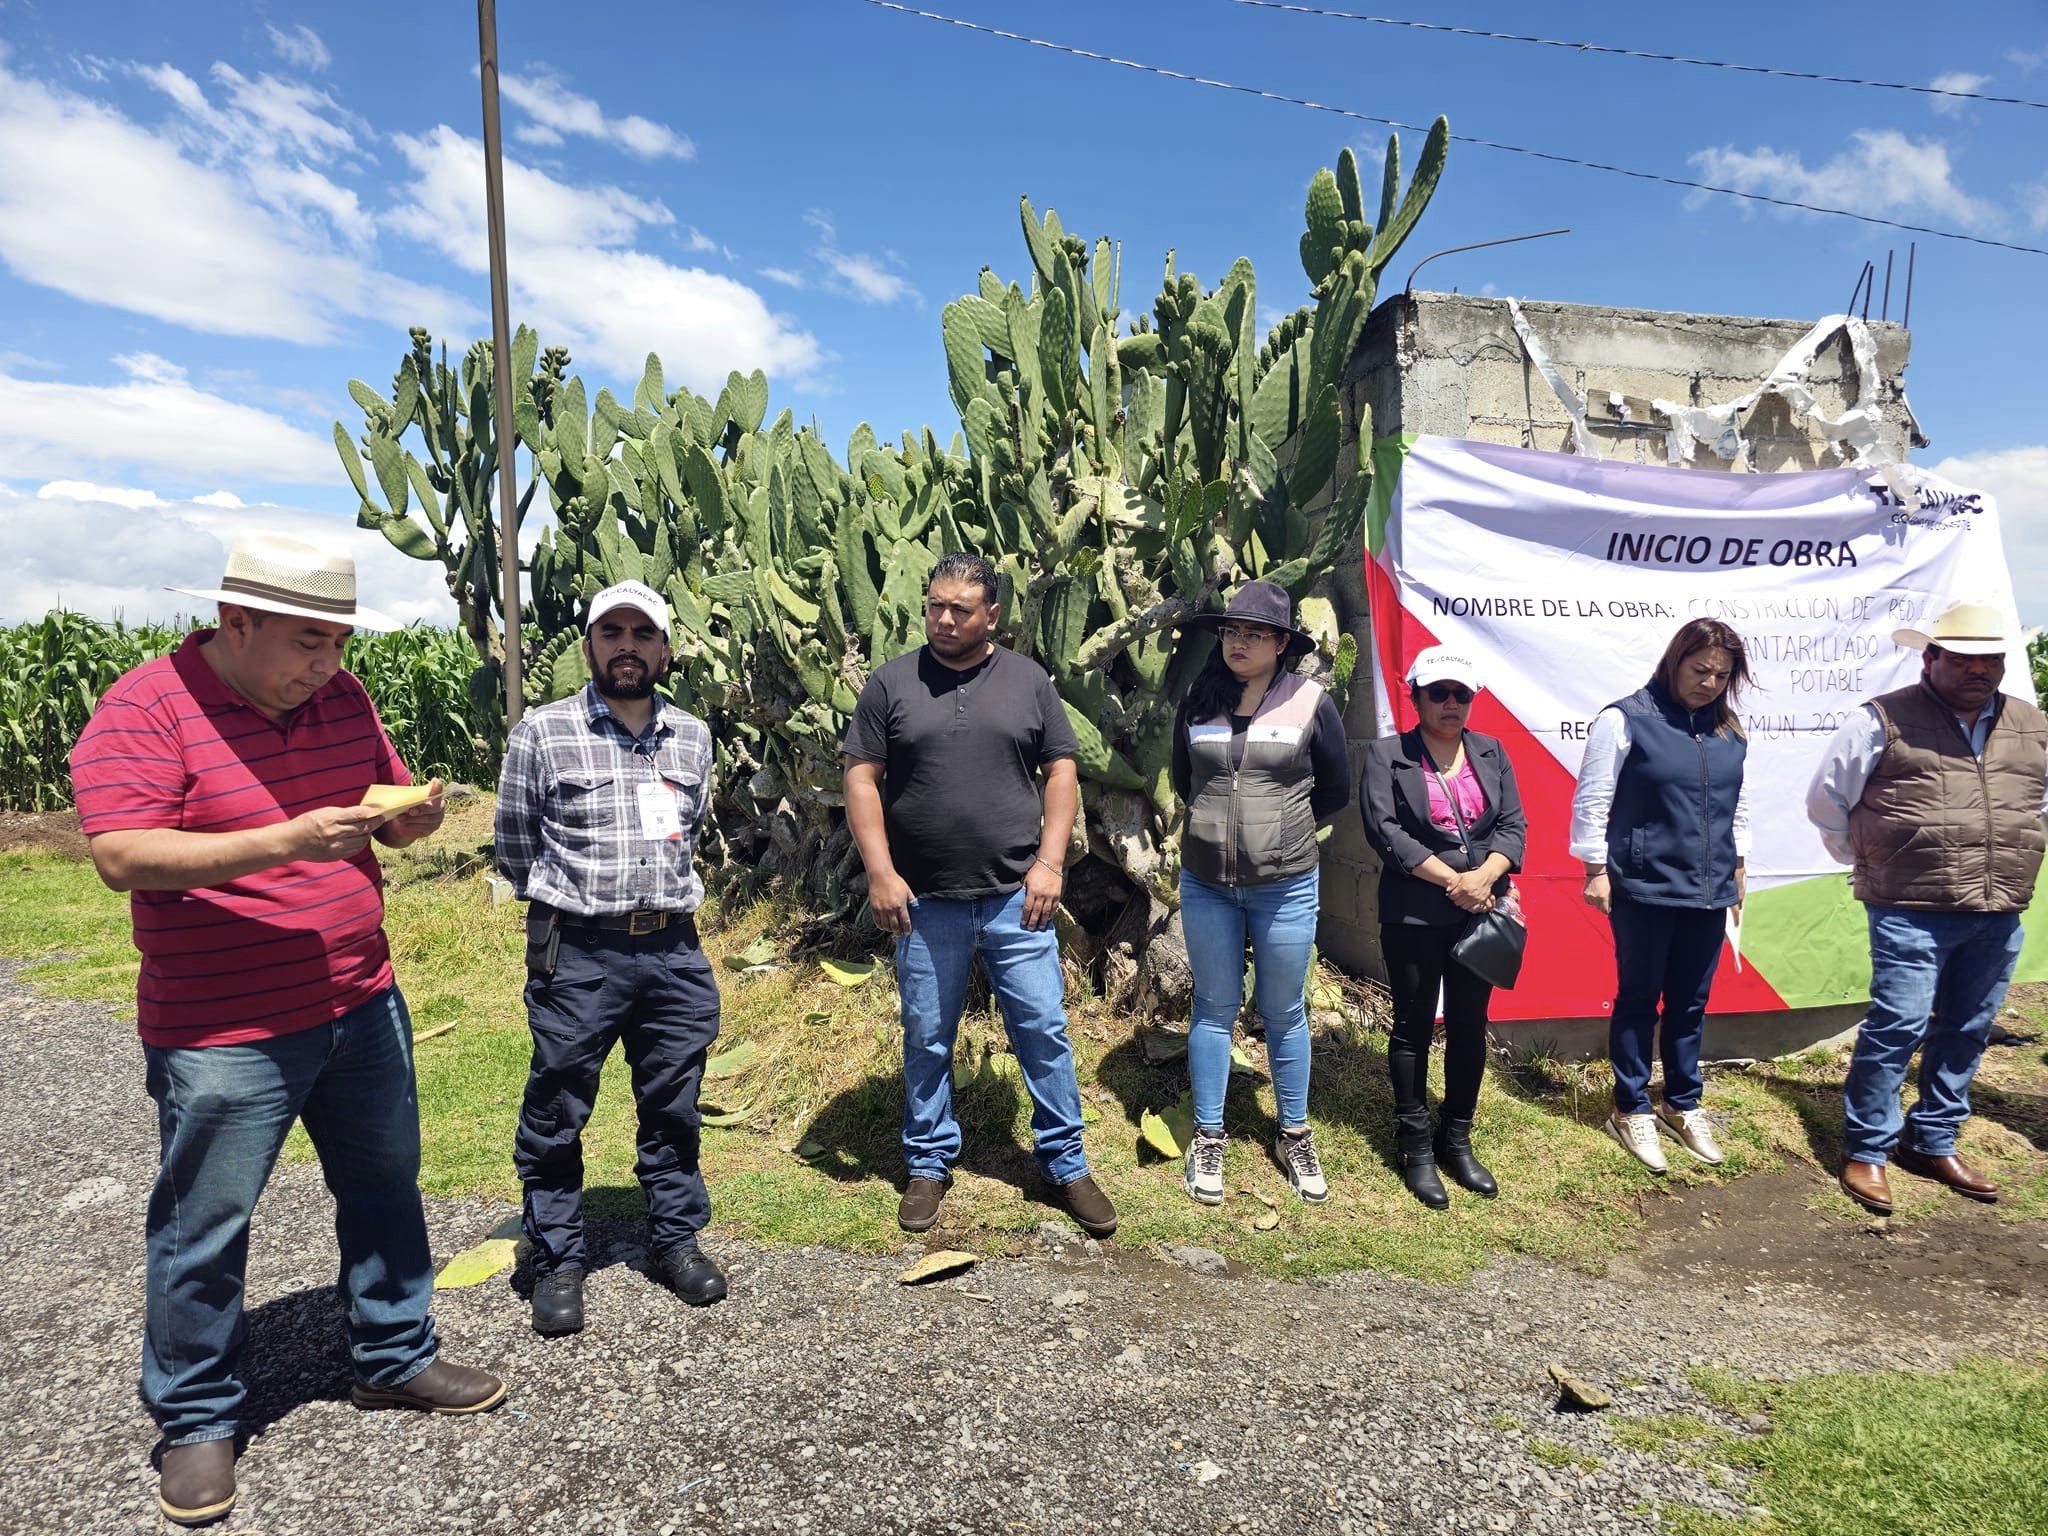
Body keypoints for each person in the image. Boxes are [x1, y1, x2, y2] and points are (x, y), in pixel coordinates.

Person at [68, 534, 505, 1529]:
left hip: (360, 995)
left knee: (386, 1185)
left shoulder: (340, 702)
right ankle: (195, 1420)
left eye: (340, 643)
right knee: (205, 1225)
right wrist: (286, 839)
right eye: (309, 642)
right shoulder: (149, 705)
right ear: (236, 623)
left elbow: (379, 813)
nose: (328, 666)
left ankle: (393, 1356)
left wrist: (413, 818)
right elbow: (123, 854)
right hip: (225, 1027)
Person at [842, 552, 1118, 1239]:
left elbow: (1061, 769)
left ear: (992, 615)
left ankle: (1064, 1163)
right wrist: (880, 872)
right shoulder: (892, 683)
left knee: (1043, 1033)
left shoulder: (1027, 681)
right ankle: (928, 1162)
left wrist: (1051, 864)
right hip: (924, 901)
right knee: (926, 1038)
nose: (943, 618)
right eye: (935, 604)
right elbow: (860, 778)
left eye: (960, 608)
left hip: (1015, 897)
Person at [495, 580, 729, 1335]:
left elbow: (693, 831)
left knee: (674, 1101)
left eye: (642, 634)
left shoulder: (692, 737)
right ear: (589, 645)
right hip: (580, 950)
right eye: (611, 633)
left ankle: (672, 1239)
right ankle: (558, 1255)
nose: (626, 647)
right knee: (559, 1102)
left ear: (665, 649)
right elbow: (514, 844)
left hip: (672, 948)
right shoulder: (543, 733)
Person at [1806, 599, 2047, 1216]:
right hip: (1909, 905)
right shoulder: (1882, 720)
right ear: (1930, 657)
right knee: (1898, 1027)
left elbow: (2035, 804)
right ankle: (1866, 1149)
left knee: (1968, 1028)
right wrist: (1876, 857)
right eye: (1964, 659)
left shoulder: (2031, 723)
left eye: (1989, 658)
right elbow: (1828, 802)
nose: (1978, 670)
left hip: (1997, 907)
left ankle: (1932, 1138)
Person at [1169, 580, 1351, 1206]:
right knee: (1214, 1008)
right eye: (1230, 631)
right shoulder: (1197, 698)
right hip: (1207, 884)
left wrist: (1282, 833)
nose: (1237, 642)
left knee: (1284, 1011)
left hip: (1287, 885)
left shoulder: (1311, 703)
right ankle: (1210, 1134)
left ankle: (1294, 1132)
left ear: (1280, 643)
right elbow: (1181, 775)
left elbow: (1335, 789)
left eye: (1252, 633)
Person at [1571, 618, 1752, 1173]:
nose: (1710, 683)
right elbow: (1592, 798)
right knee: (1638, 998)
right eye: (1700, 670)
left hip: (1710, 888)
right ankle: (1630, 1107)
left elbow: (1736, 805)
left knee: (1691, 1002)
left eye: (1721, 675)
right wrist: (1596, 869)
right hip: (1645, 886)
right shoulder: (1624, 720)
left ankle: (1682, 1101)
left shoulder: (1729, 730)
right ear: (1674, 661)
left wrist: (1739, 865)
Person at [1360, 646, 1527, 1208]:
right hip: (1414, 910)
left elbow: (1513, 825)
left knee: (1468, 1023)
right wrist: (1452, 881)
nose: (1452, 703)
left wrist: (1483, 878)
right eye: (1439, 693)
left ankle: (1456, 1139)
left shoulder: (1491, 751)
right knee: (1411, 1026)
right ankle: (1414, 1146)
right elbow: (1385, 832)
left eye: (1462, 694)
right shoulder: (1388, 755)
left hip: (1479, 910)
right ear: (1417, 697)